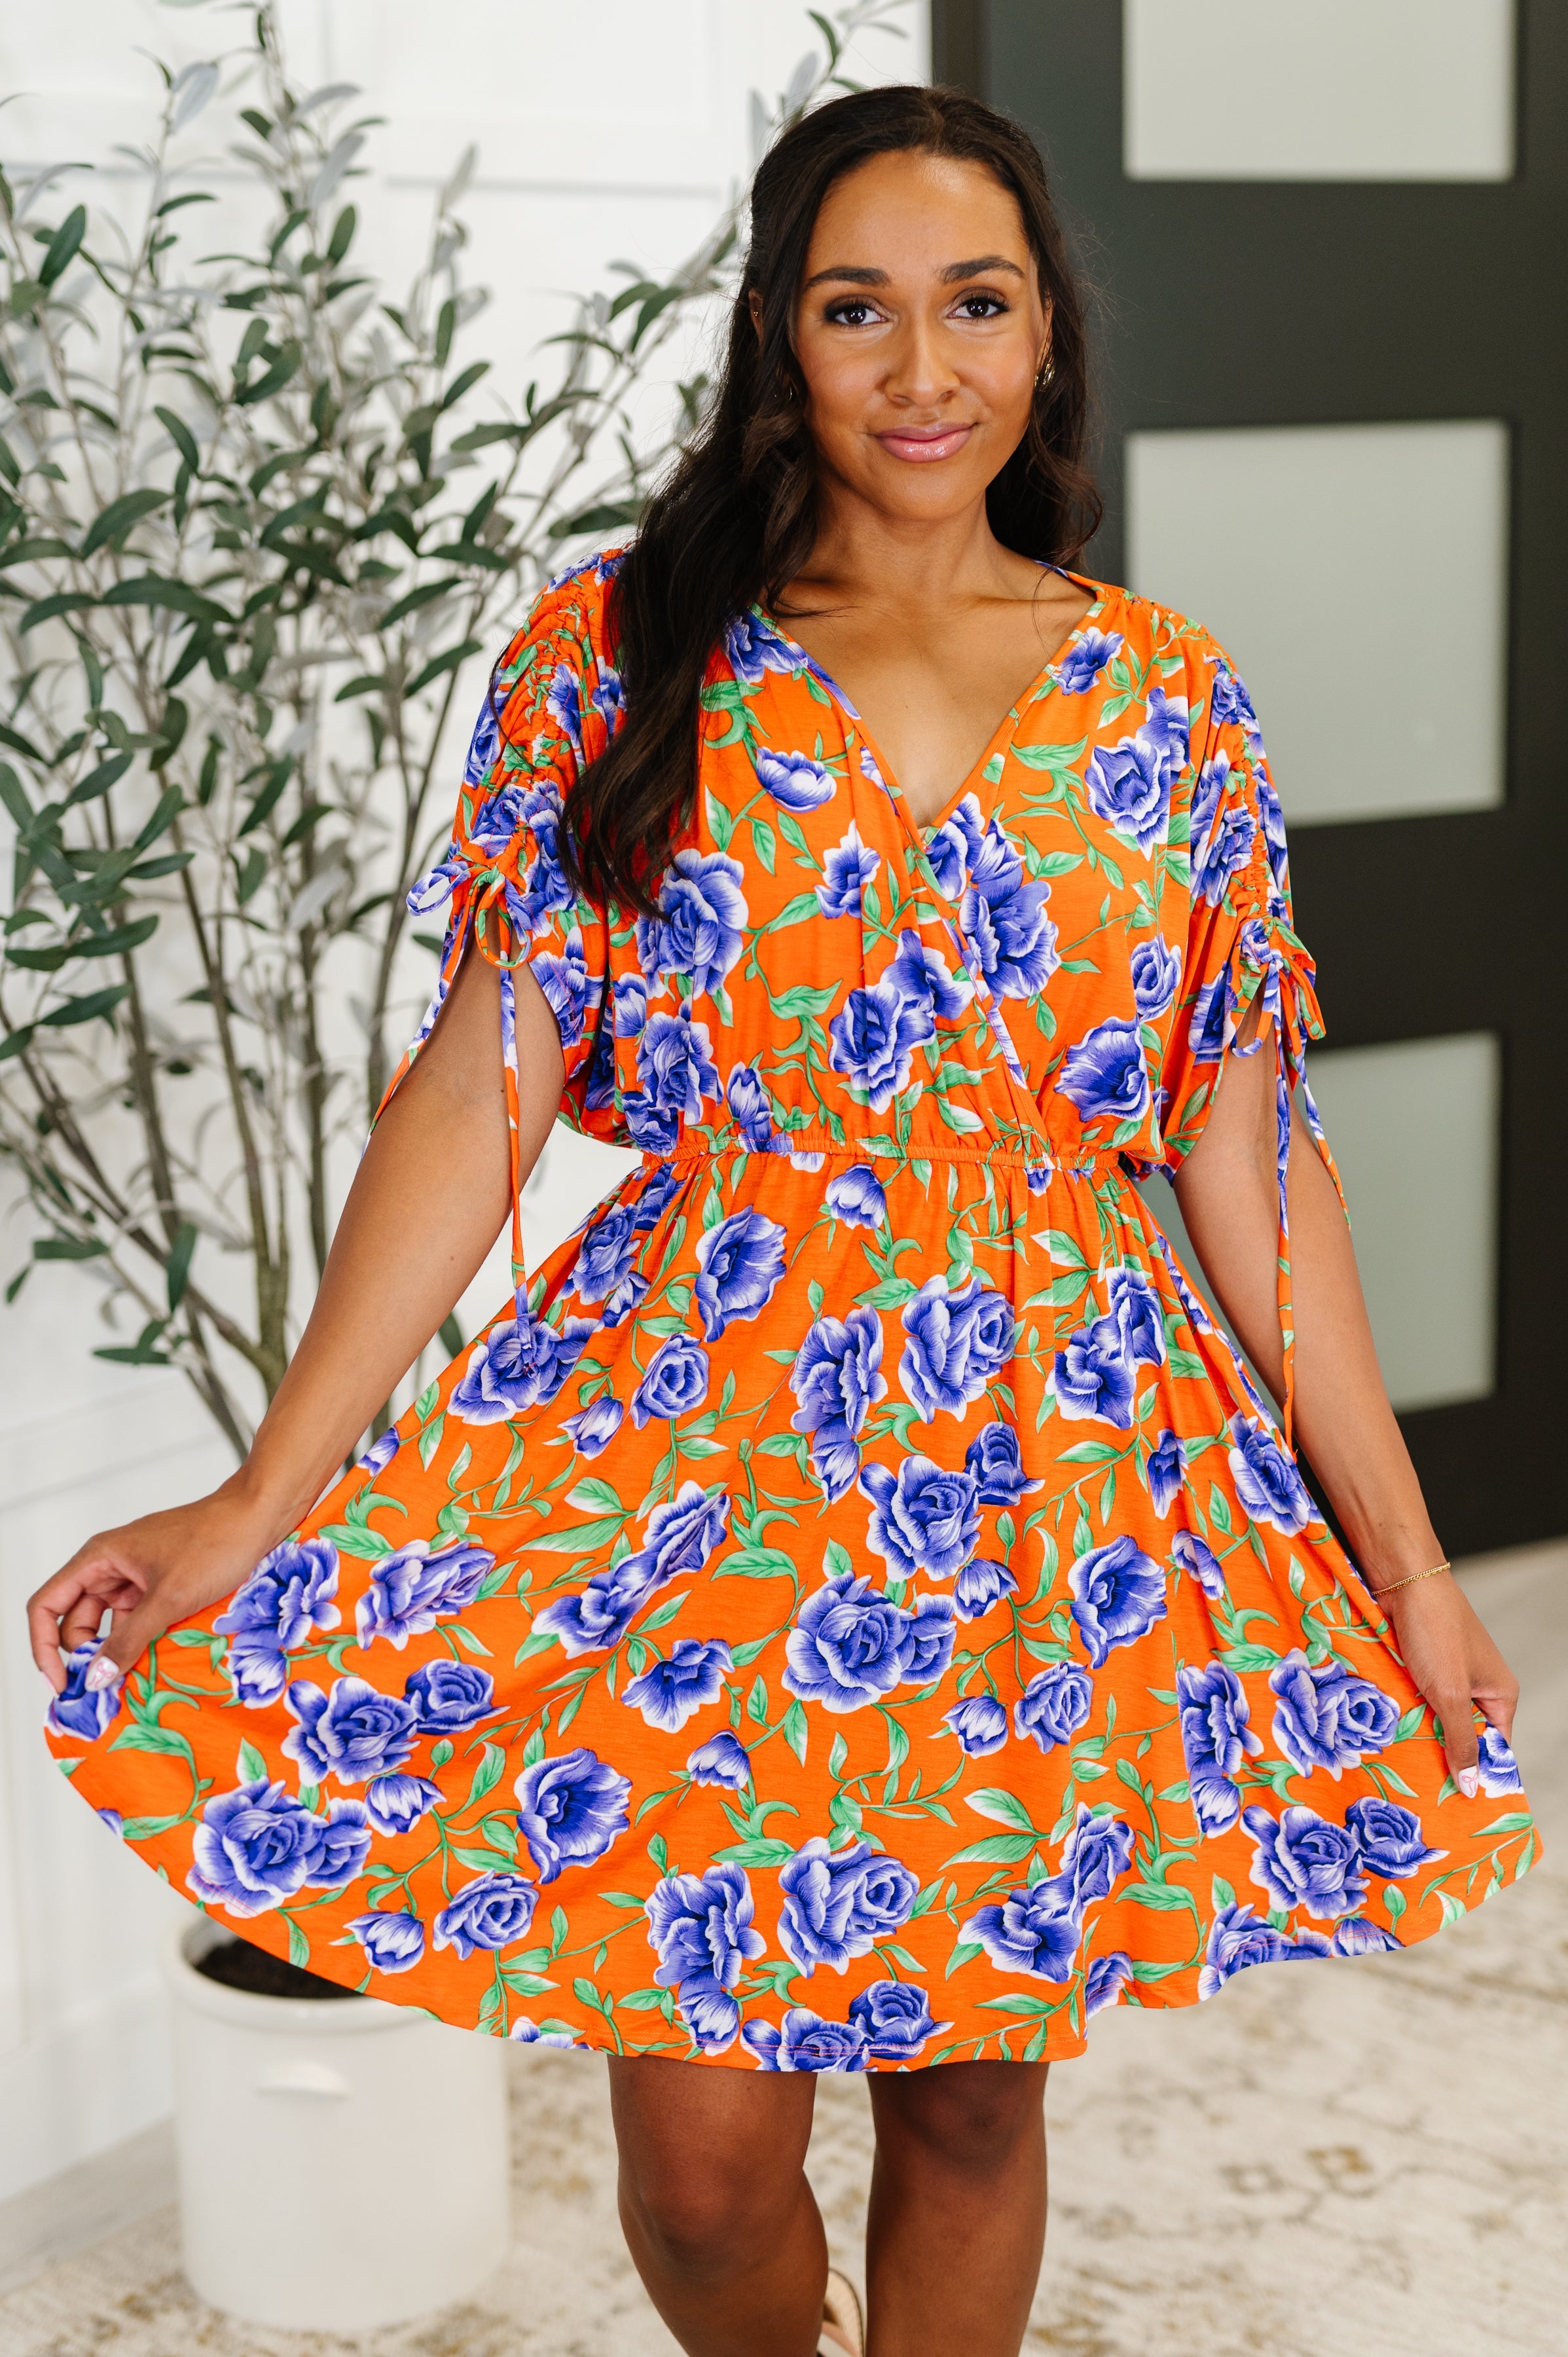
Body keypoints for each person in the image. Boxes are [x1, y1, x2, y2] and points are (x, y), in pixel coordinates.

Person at [29, 84, 1533, 2357]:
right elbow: (477, 1094)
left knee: (965, 2106)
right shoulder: (619, 657)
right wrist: (272, 1489)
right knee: (702, 2159)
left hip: (1044, 1460)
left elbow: (1248, 1154)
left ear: (1045, 341)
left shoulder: (1167, 698)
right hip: (703, 1440)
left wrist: (1400, 1565)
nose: (921, 368)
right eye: (858, 308)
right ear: (776, 338)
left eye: (976, 304)